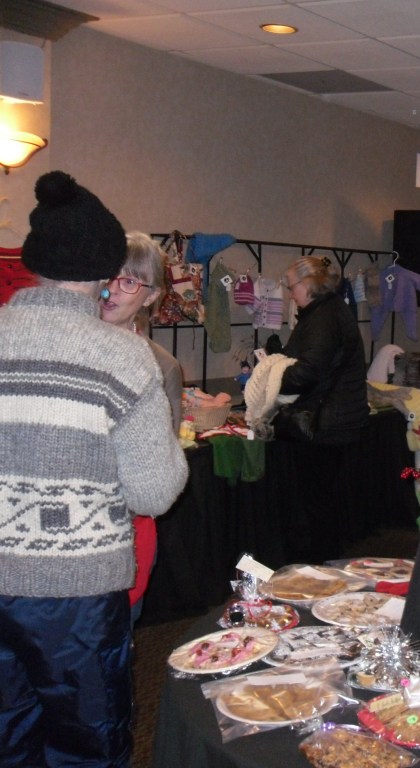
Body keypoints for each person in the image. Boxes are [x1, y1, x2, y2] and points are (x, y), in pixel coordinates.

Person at [0, 170, 188, 767]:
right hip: (76, 593)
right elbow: (154, 492)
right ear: (106, 272)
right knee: (87, 744)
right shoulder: (124, 356)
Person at [100, 231, 184, 627]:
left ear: (151, 297)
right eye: (110, 274)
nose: (114, 288)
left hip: (123, 531)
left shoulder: (161, 365)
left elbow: (159, 467)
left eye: (131, 281)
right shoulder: (65, 344)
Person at [276, 255, 369, 444]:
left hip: (326, 423)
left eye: (291, 288)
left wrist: (270, 378)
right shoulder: (327, 310)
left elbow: (308, 372)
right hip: (334, 417)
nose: (291, 295)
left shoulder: (324, 317)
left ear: (308, 283)